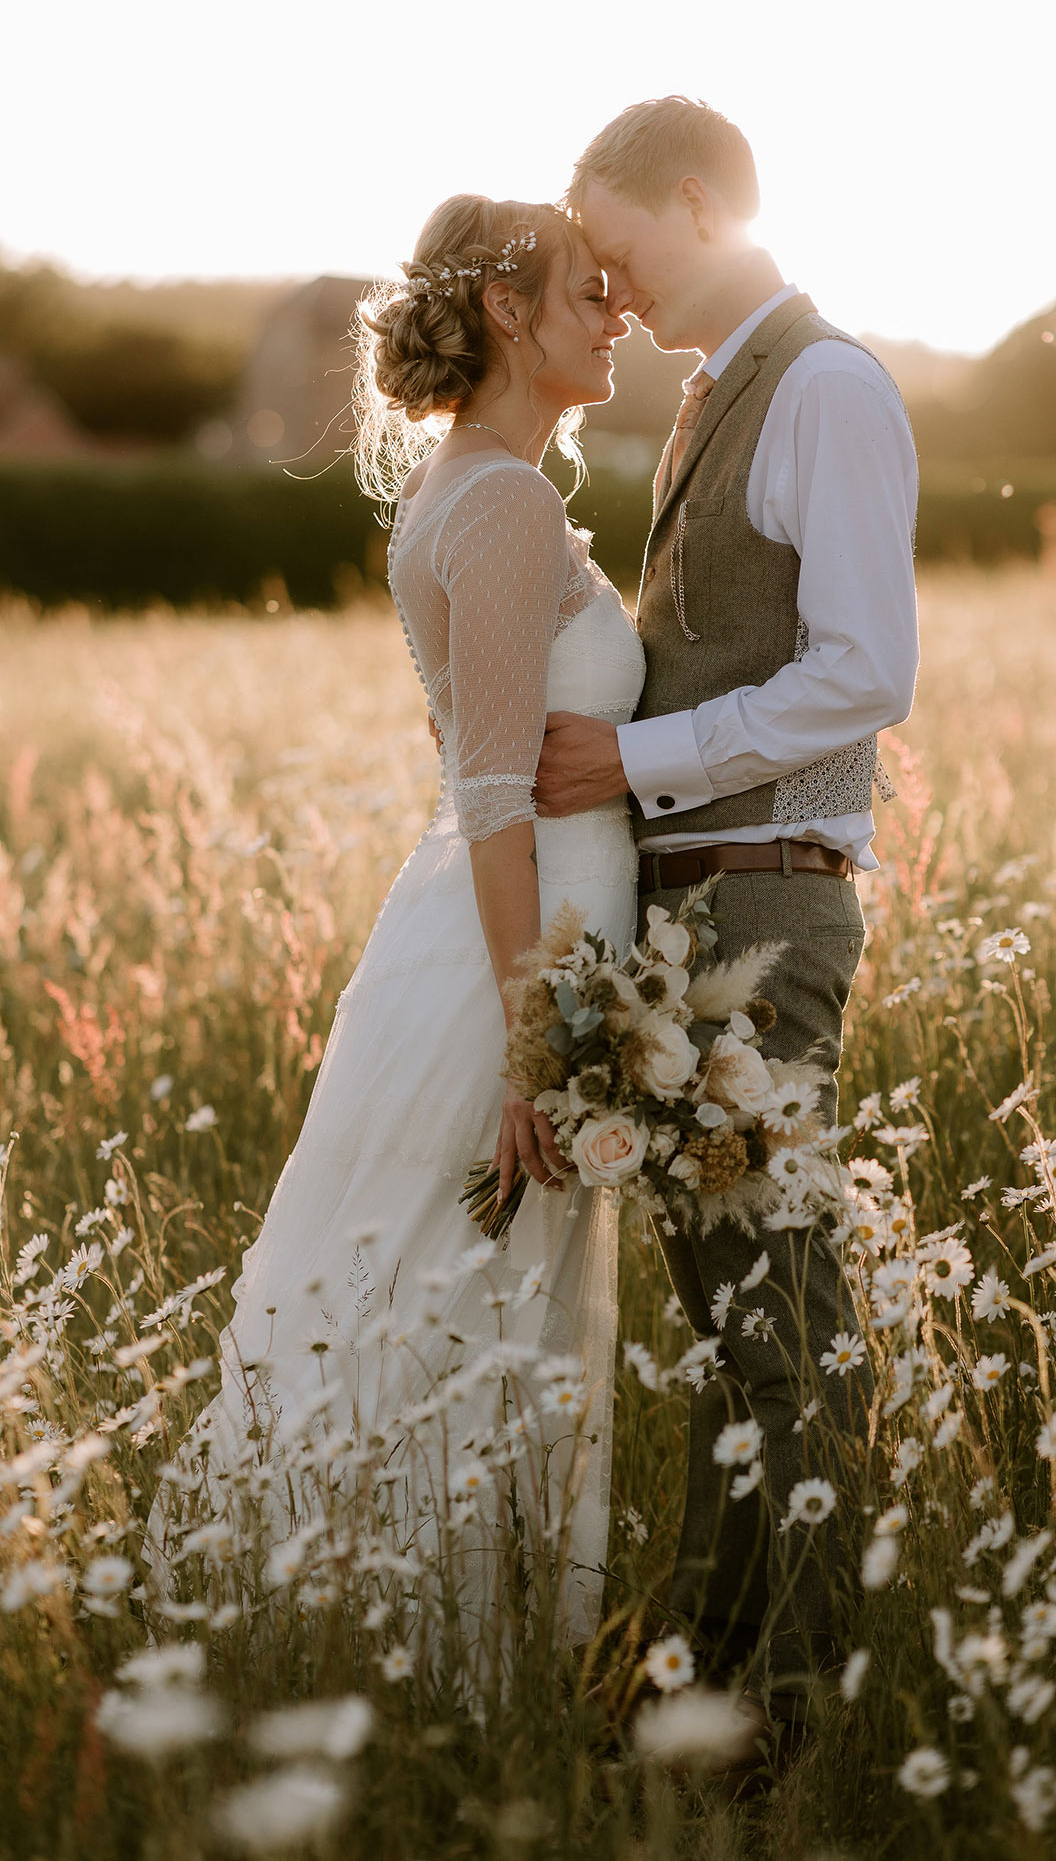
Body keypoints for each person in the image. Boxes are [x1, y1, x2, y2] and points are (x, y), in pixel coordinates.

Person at [145, 198, 643, 1684]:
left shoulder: (489, 489)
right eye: (586, 290)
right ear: (504, 309)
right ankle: (406, 1668)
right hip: (504, 959)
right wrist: (532, 1031)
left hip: (514, 942)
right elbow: (494, 791)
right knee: (449, 1299)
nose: (614, 314)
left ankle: (364, 1651)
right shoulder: (501, 504)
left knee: (451, 1299)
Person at [535, 98, 921, 1729]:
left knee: (782, 1330)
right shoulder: (717, 394)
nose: (608, 295)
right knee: (738, 1328)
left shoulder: (825, 385)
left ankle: (805, 1712)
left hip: (769, 911)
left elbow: (863, 674)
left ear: (699, 202)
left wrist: (637, 755)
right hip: (705, 916)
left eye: (619, 254)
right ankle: (711, 1680)